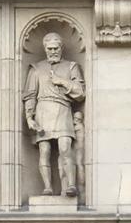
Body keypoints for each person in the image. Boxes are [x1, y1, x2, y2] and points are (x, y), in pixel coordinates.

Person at [23, 32, 85, 197]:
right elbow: (30, 95)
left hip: (63, 108)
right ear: (45, 49)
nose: (53, 51)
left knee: (65, 148)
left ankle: (71, 185)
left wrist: (61, 81)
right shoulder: (36, 69)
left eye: (56, 48)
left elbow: (80, 93)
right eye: (49, 48)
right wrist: (29, 117)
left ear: (61, 48)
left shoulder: (71, 66)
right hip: (43, 110)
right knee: (45, 150)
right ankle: (48, 187)